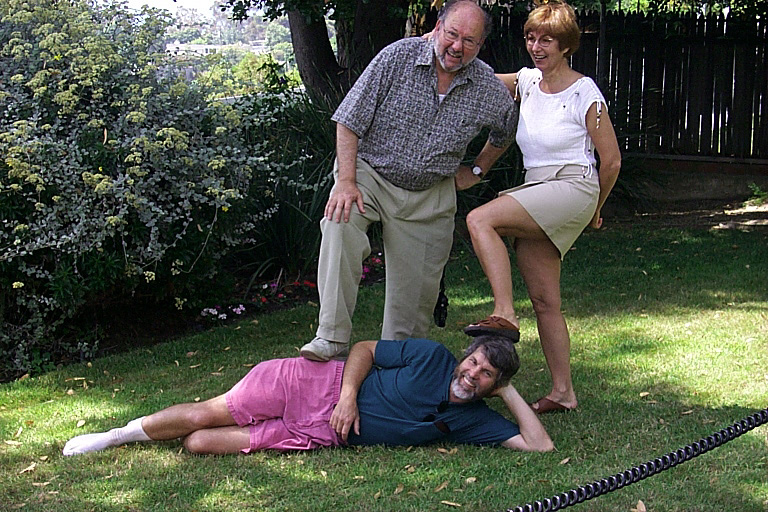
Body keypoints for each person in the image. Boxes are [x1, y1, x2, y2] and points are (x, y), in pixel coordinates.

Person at [299, 0, 519, 362]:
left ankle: (394, 363)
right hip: (369, 174)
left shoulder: (486, 87)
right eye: (452, 34)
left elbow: (506, 130)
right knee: (340, 223)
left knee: (414, 301)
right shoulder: (396, 57)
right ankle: (331, 338)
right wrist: (346, 181)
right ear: (437, 27)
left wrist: (477, 170)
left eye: (469, 41)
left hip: (430, 193)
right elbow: (349, 120)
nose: (457, 46)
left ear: (480, 45)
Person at [462, 0, 621, 414]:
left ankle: (503, 312)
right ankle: (563, 392)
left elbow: (611, 161)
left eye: (547, 40)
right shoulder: (528, 82)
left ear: (566, 45)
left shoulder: (585, 92)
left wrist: (596, 208)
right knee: (546, 301)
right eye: (531, 38)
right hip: (538, 189)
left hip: (573, 186)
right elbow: (479, 77)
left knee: (480, 219)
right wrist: (440, 43)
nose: (536, 47)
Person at [62, 336, 554, 456]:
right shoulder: (430, 356)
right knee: (203, 415)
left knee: (199, 443)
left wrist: (509, 392)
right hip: (314, 384)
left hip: (320, 433)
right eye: (473, 362)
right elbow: (364, 349)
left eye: (487, 375)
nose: (472, 374)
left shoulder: (473, 419)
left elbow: (540, 446)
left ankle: (158, 433)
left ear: (494, 384)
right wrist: (348, 396)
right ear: (464, 356)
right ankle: (116, 435)